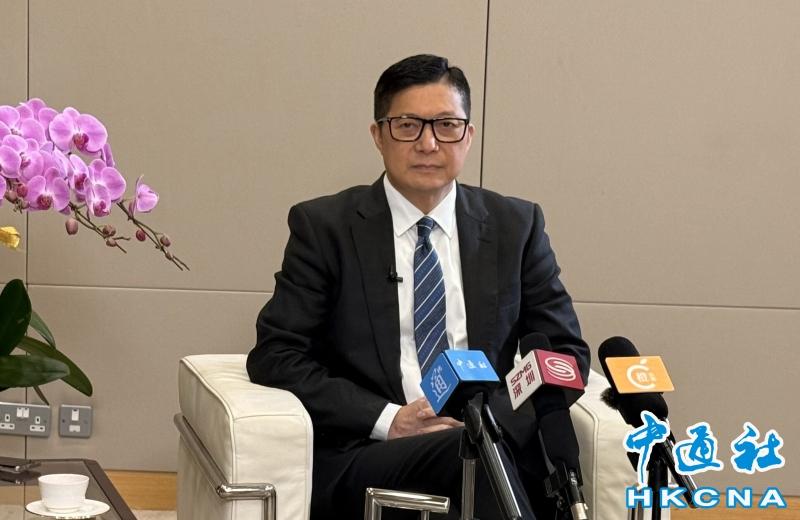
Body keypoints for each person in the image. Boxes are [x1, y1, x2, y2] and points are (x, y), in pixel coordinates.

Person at [247, 54, 590, 520]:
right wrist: (390, 419)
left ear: (469, 136)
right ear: (378, 135)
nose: (428, 143)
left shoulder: (516, 226)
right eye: (408, 126)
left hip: (496, 446)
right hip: (370, 453)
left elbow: (564, 355)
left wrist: (489, 424)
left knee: (476, 452)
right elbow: (277, 355)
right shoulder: (326, 227)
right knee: (468, 457)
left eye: (447, 126)